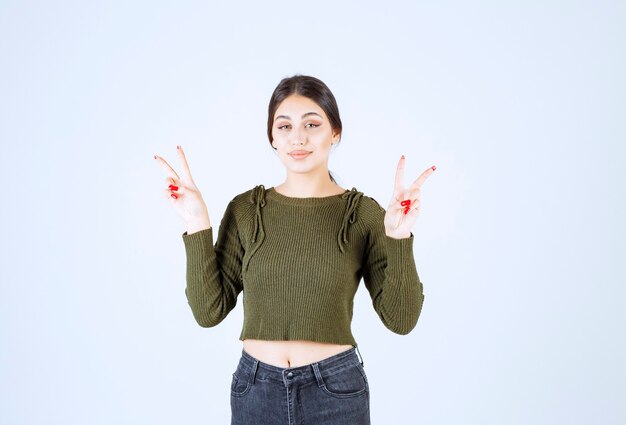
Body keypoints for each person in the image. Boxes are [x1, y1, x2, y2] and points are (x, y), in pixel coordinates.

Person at [154, 75, 435, 425]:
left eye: (312, 124)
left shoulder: (362, 214)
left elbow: (402, 319)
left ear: (335, 133)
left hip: (335, 391)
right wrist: (197, 222)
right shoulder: (246, 210)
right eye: (284, 126)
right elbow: (208, 311)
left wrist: (399, 237)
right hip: (255, 389)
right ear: (272, 138)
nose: (297, 137)